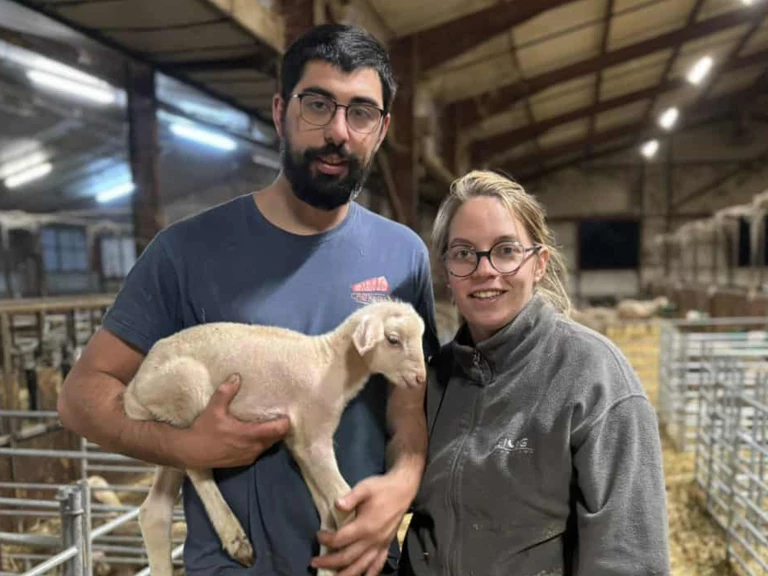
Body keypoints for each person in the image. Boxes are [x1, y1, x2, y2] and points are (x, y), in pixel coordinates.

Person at [57, 23, 439, 576]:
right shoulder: (185, 251)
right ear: (281, 110)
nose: (338, 131)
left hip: (362, 562)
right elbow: (80, 396)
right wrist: (182, 445)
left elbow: (410, 406)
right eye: (317, 105)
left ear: (380, 130)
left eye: (360, 113)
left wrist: (401, 486)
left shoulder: (403, 254)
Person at [399, 170, 670, 575]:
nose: (484, 269)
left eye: (506, 250)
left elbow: (629, 559)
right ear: (446, 271)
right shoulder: (432, 379)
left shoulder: (594, 379)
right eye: (463, 253)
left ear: (539, 264)